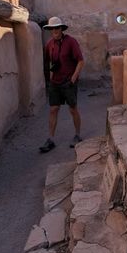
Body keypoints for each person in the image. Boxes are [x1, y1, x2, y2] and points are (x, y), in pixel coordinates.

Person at [40, 16, 84, 152]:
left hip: (68, 81)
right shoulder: (49, 44)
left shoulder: (71, 42)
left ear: (61, 29)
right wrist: (49, 79)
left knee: (72, 108)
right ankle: (51, 139)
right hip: (55, 82)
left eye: (57, 28)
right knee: (53, 109)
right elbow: (46, 62)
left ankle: (77, 135)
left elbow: (80, 61)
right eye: (52, 28)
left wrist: (73, 79)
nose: (55, 31)